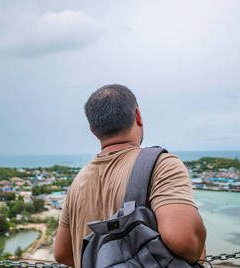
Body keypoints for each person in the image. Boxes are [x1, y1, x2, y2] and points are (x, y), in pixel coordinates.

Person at [54, 84, 207, 267]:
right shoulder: (162, 164)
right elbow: (185, 241)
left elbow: (62, 253)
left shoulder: (77, 183)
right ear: (138, 116)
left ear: (94, 131)